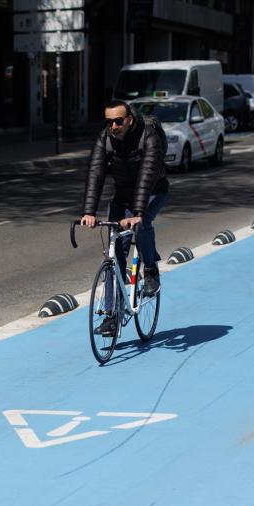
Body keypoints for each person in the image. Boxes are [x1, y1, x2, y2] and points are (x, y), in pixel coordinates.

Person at [81, 99, 169, 336]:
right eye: (109, 122)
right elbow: (95, 173)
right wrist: (89, 211)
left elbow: (147, 175)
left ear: (129, 119)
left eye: (118, 121)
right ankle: (112, 315)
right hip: (122, 196)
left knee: (143, 225)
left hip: (152, 191)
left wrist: (138, 213)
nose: (113, 126)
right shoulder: (105, 139)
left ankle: (150, 270)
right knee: (114, 252)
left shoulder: (148, 136)